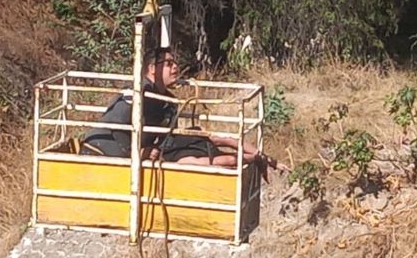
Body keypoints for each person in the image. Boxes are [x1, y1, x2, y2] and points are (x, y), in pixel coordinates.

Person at [80, 48, 288, 173]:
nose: (175, 67)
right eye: (169, 63)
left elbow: (165, 134)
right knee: (215, 158)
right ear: (152, 69)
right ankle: (256, 159)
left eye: (175, 63)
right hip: (104, 149)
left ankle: (263, 159)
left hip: (153, 147)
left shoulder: (167, 100)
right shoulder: (137, 93)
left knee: (211, 139)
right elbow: (115, 124)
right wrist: (137, 152)